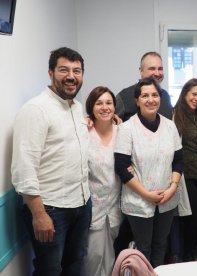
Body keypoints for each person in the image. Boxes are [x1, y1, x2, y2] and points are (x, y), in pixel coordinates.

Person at [11, 47, 91, 275]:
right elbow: (23, 168)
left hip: (81, 203)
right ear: (50, 72)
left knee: (75, 264)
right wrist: (39, 214)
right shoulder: (36, 110)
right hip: (51, 209)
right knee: (50, 269)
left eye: (77, 71)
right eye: (64, 70)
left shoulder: (76, 107)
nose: (71, 76)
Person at [114, 77, 183, 267]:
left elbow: (178, 160)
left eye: (154, 95)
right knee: (143, 247)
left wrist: (172, 188)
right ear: (137, 100)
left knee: (161, 244)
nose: (150, 99)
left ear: (160, 98)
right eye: (145, 95)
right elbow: (121, 167)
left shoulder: (170, 126)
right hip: (139, 199)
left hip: (167, 197)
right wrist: (147, 195)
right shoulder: (127, 128)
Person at [83, 87, 122, 276]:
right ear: (91, 107)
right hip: (92, 207)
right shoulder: (85, 132)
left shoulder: (122, 131)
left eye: (108, 103)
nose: (104, 107)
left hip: (116, 205)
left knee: (110, 256)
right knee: (93, 256)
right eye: (99, 103)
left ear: (115, 107)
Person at [173, 78, 197, 262]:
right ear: (185, 93)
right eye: (194, 94)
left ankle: (191, 251)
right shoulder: (174, 115)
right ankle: (185, 254)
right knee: (190, 217)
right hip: (183, 174)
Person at [116, 51, 173, 121]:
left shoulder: (165, 96)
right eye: (152, 69)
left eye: (160, 69)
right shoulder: (124, 96)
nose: (157, 73)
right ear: (141, 71)